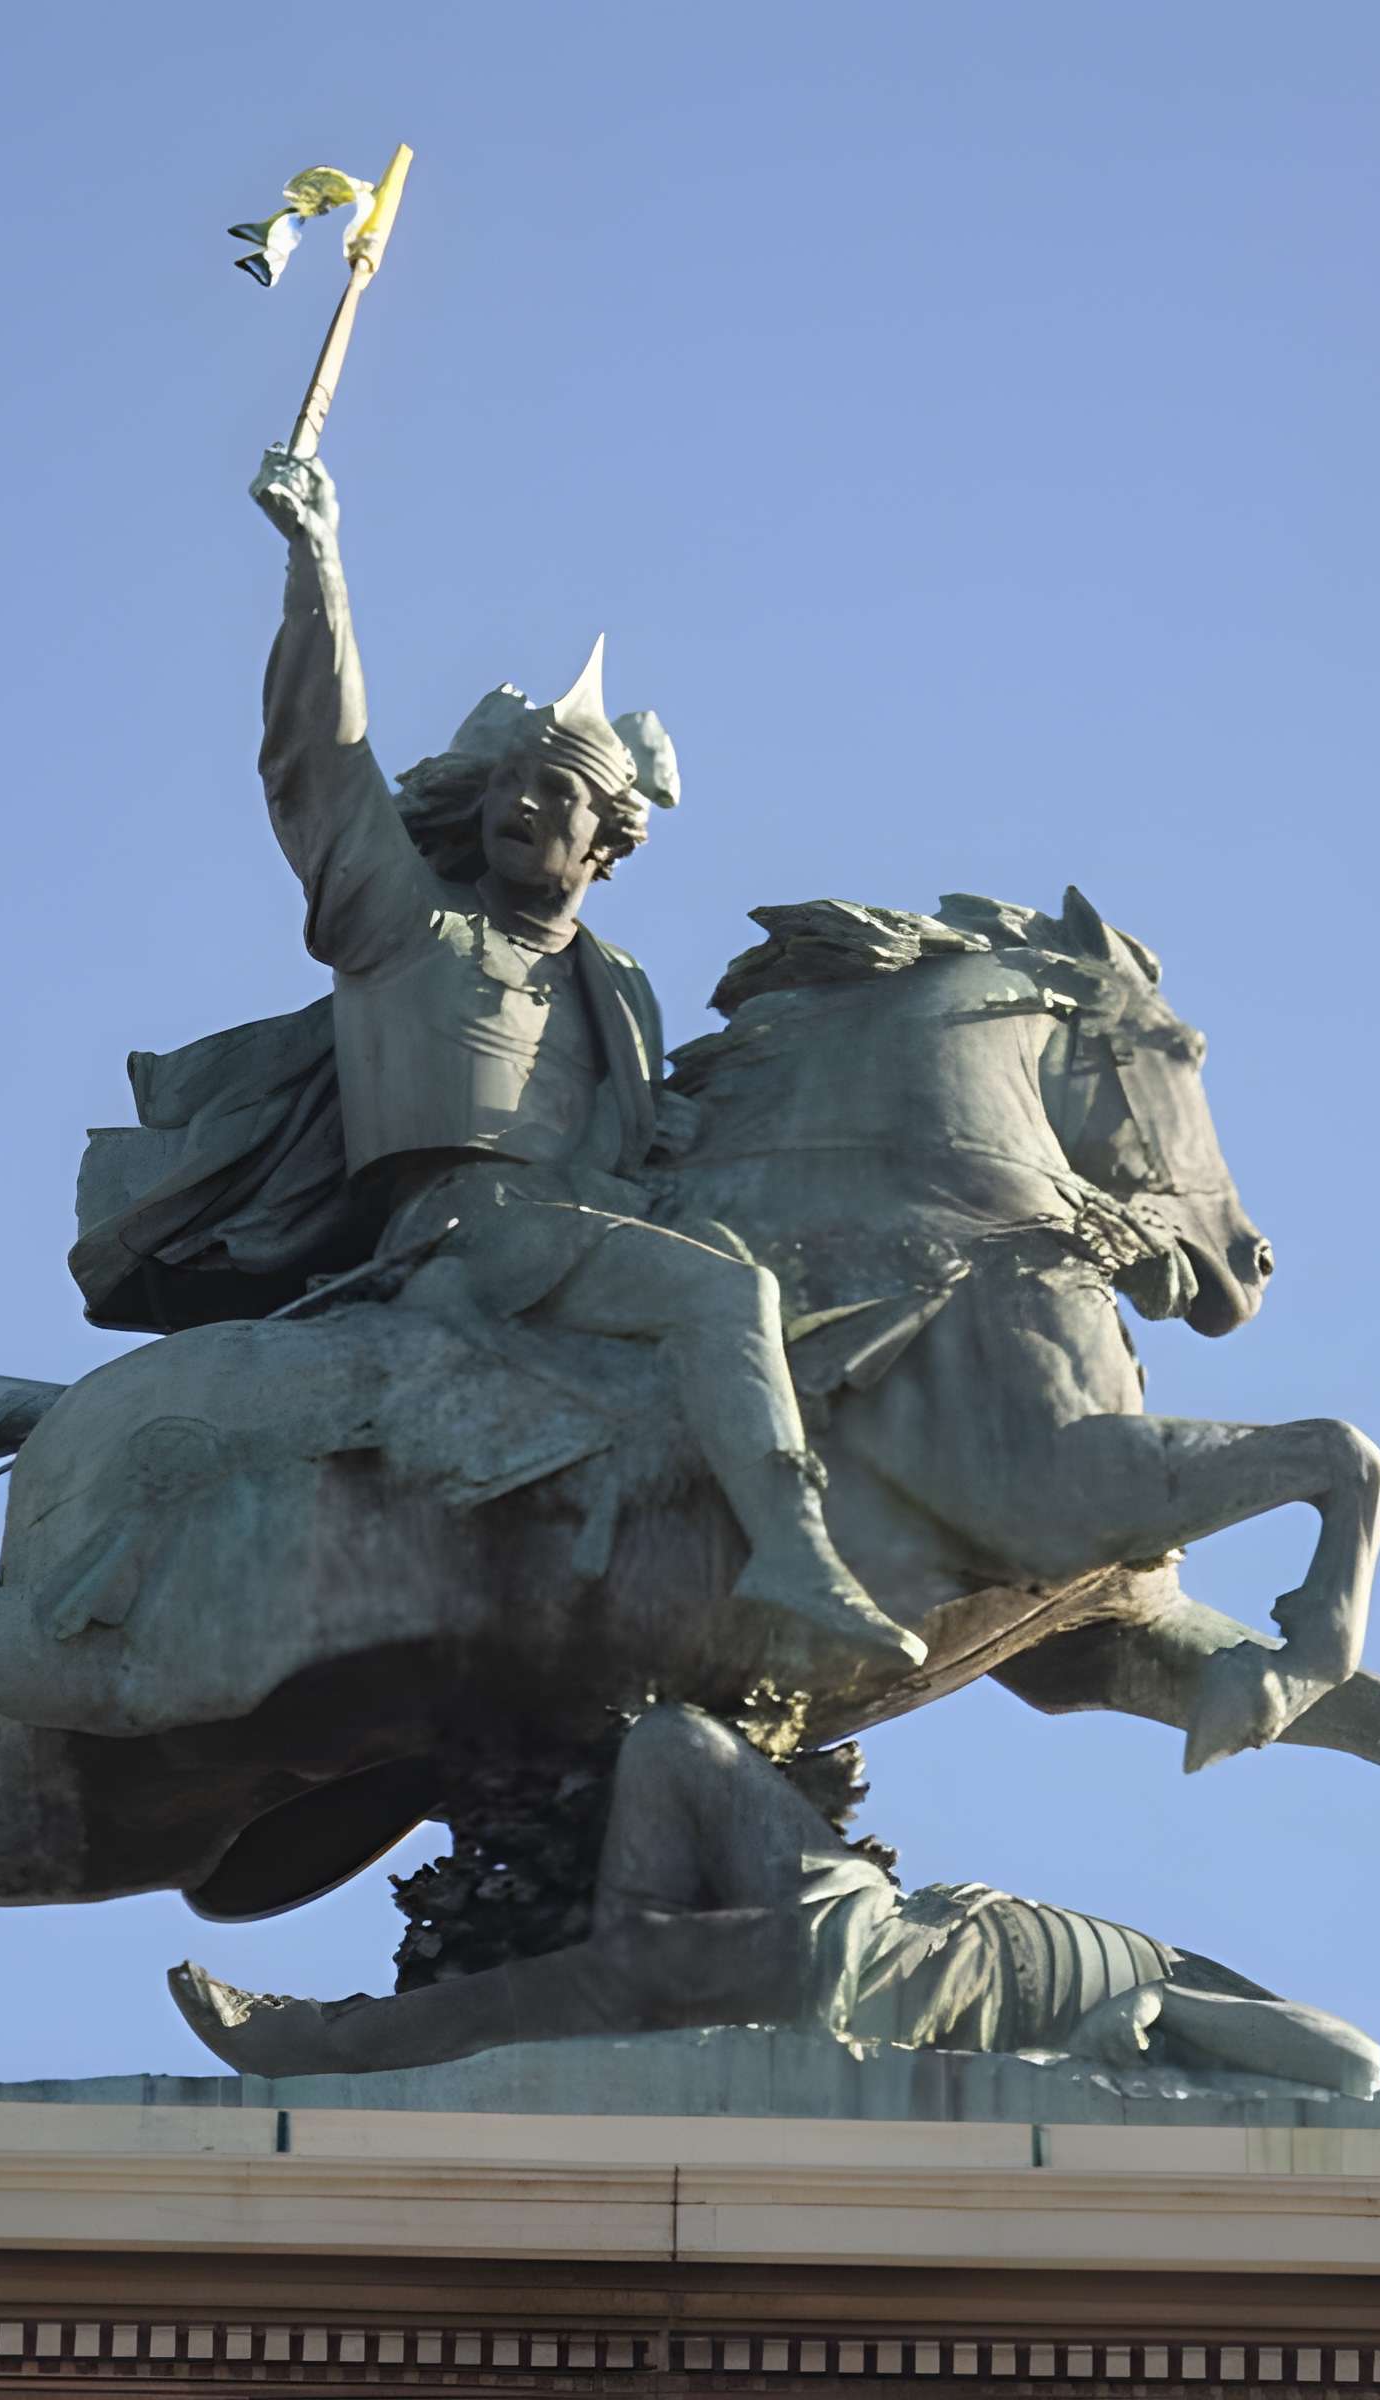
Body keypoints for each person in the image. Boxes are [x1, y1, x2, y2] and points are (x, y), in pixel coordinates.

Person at [196, 446, 922, 1672]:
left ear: (605, 841)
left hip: (582, 1231)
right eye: (511, 785)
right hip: (464, 1238)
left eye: (556, 793)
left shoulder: (619, 986)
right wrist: (314, 560)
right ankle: (790, 1553)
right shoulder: (405, 923)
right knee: (717, 1296)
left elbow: (656, 1142)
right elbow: (317, 756)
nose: (522, 806)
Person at [172, 1703, 1380, 2096]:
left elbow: (1353, 2065)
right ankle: (628, 1952)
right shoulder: (1171, 1984)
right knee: (671, 1742)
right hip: (859, 1913)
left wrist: (1149, 2024)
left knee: (618, 1965)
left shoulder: (1157, 2031)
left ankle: (325, 2046)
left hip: (855, 1968)